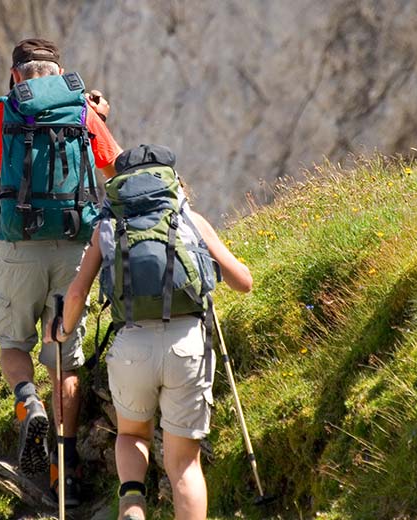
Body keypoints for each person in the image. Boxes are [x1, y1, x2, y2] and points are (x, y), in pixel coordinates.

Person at [0, 38, 122, 507]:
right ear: (57, 72)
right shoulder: (82, 111)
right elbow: (117, 169)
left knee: (13, 344)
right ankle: (65, 470)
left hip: (19, 248)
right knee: (65, 359)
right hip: (76, 247)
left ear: (16, 76)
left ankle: (27, 402)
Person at [46, 144, 253, 520]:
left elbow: (77, 292)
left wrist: (61, 330)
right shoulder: (188, 218)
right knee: (185, 465)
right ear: (171, 181)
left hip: (131, 347)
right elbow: (244, 282)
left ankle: (132, 504)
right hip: (187, 344)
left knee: (131, 436)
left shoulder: (108, 227)